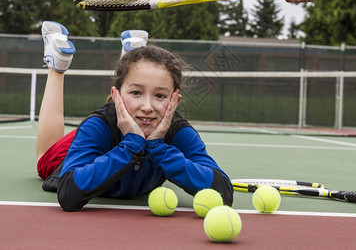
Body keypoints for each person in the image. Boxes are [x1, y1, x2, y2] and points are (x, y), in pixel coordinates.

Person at [36, 21, 233, 212]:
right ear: (116, 97)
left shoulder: (178, 132)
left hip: (122, 126)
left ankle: (131, 63)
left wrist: (159, 148)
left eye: (160, 96)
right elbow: (68, 194)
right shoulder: (98, 126)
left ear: (175, 100)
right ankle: (57, 66)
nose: (147, 107)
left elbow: (223, 191)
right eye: (136, 93)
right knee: (44, 158)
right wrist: (130, 146)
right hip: (103, 136)